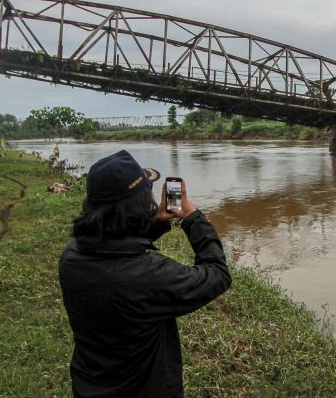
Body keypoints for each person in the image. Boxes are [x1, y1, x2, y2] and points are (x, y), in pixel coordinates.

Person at [59, 150, 231, 398]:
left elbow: (114, 244)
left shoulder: (72, 257)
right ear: (140, 202)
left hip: (90, 386)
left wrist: (157, 222)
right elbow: (216, 274)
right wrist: (193, 219)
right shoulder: (149, 274)